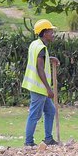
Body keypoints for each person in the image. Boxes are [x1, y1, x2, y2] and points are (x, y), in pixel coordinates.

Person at [22, 19, 58, 147]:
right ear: (44, 33)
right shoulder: (41, 48)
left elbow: (39, 60)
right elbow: (40, 68)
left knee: (50, 111)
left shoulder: (35, 44)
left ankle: (48, 139)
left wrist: (49, 58)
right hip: (39, 87)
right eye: (50, 31)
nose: (53, 33)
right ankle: (29, 142)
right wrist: (49, 89)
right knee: (34, 115)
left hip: (37, 86)